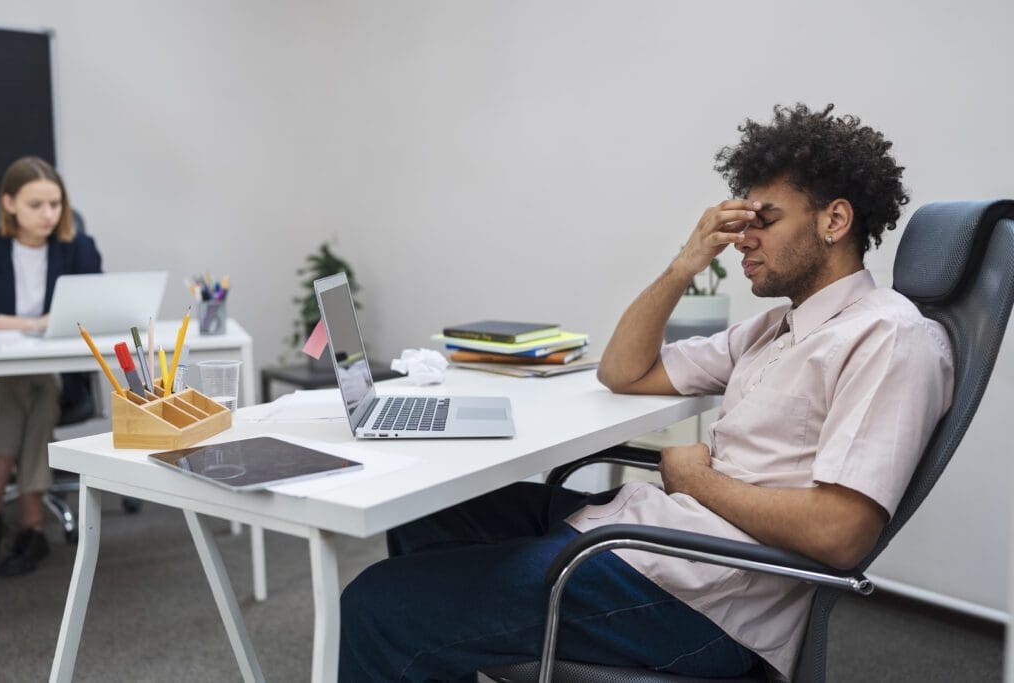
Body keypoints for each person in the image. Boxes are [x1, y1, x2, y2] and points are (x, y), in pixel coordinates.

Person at [338, 104, 955, 681]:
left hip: (704, 598)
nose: (744, 239)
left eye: (763, 220)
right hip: (653, 536)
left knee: (379, 602)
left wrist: (697, 481)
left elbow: (841, 534)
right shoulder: (777, 328)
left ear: (835, 220)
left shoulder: (888, 336)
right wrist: (685, 263)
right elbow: (623, 372)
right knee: (430, 513)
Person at [0, 156, 102, 577]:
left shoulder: (78, 248)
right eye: (36, 205)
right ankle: (32, 527)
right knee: (20, 386)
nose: (49, 215)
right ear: (9, 203)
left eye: (55, 204)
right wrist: (33, 324)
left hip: (59, 376)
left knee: (29, 384)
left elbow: (96, 307)